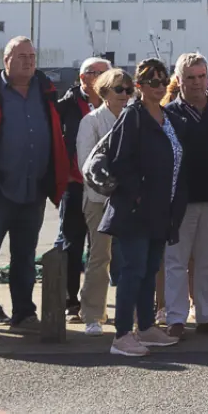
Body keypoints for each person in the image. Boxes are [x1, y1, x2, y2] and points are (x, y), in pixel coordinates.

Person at [0, 36, 80, 340]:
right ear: (6, 59)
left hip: (32, 190)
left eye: (32, 55)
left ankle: (23, 314)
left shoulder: (46, 91)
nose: (28, 61)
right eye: (21, 55)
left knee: (24, 257)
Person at [97, 58, 185, 355]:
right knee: (132, 270)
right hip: (136, 210)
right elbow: (120, 161)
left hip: (162, 208)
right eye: (152, 82)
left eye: (163, 81)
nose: (159, 87)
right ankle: (122, 334)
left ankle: (146, 327)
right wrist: (137, 196)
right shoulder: (132, 116)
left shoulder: (167, 116)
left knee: (149, 269)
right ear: (140, 86)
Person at [157, 53, 208, 338]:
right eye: (190, 77)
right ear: (179, 80)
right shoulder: (168, 113)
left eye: (201, 76)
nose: (196, 82)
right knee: (176, 260)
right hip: (180, 199)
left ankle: (207, 315)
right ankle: (176, 318)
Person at [72, 67, 135, 337]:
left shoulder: (137, 118)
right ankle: (92, 314)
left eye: (129, 89)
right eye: (118, 89)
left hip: (133, 201)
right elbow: (85, 164)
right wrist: (116, 187)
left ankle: (132, 313)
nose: (124, 94)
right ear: (104, 91)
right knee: (100, 257)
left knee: (133, 259)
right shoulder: (92, 121)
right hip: (99, 200)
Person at [53, 56, 110, 323]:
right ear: (82, 78)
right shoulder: (64, 107)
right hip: (75, 186)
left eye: (105, 72)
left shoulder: (118, 106)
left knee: (103, 249)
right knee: (71, 244)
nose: (100, 76)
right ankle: (70, 301)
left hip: (108, 190)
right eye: (95, 72)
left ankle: (100, 303)